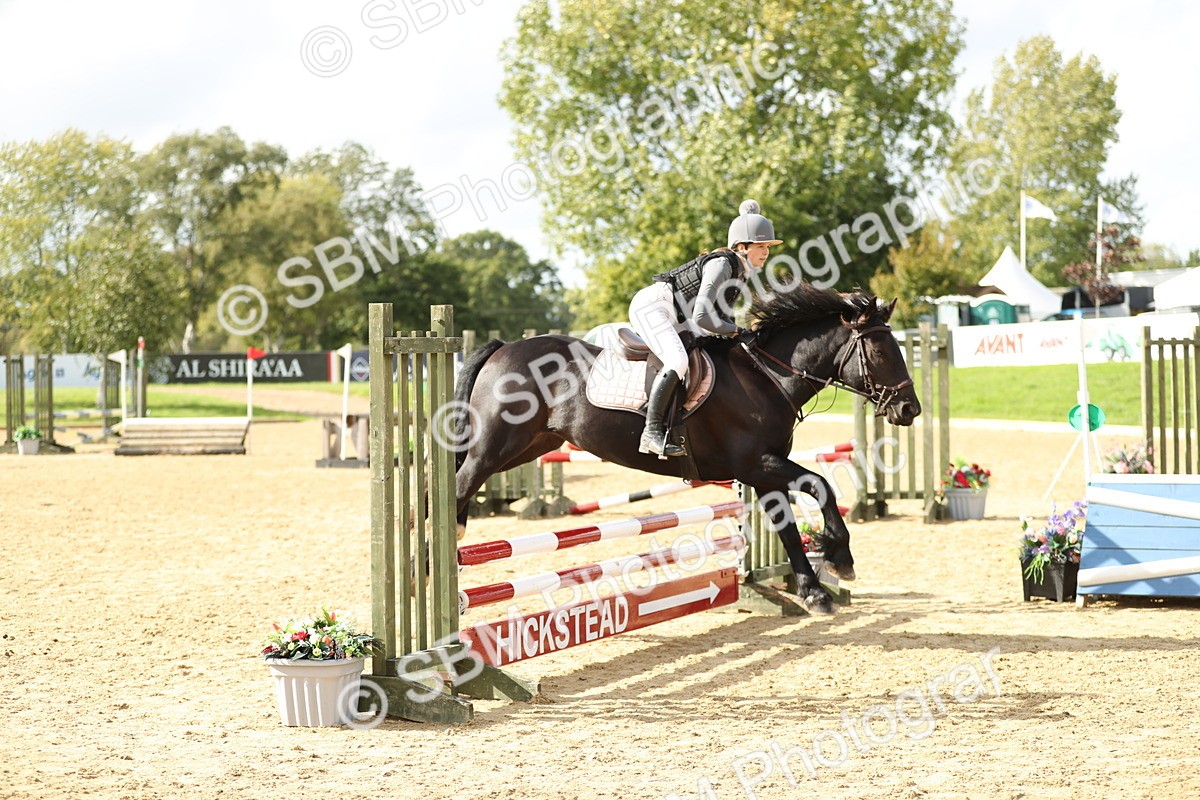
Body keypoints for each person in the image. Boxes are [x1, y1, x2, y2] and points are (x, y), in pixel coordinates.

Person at [628, 199, 782, 457]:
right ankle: (651, 432)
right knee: (677, 360)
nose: (766, 251)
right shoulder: (722, 265)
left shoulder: (741, 272)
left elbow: (719, 319)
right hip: (652, 307)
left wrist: (742, 335)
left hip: (677, 315)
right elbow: (702, 317)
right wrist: (737, 331)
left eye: (768, 246)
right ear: (742, 247)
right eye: (761, 246)